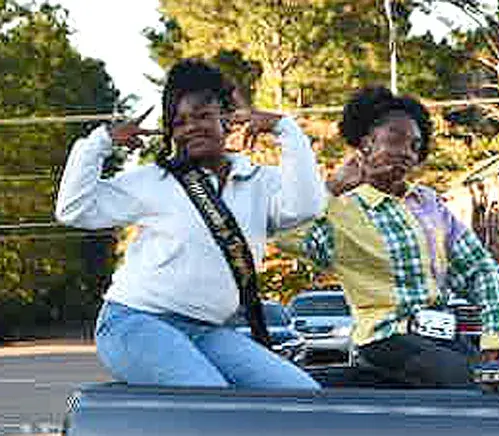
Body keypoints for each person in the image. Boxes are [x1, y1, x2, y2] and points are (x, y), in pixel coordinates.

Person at [55, 59, 325, 389]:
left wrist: (285, 129)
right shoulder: (154, 181)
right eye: (179, 122)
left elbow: (308, 206)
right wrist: (101, 142)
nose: (191, 128)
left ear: (228, 118)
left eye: (202, 116)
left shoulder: (258, 181)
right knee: (208, 399)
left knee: (302, 396)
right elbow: (73, 210)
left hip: (208, 331)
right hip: (135, 323)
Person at [278, 86, 499, 388]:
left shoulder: (429, 203)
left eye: (415, 146)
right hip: (385, 339)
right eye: (395, 140)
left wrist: (495, 338)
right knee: (465, 384)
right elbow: (286, 236)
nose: (406, 153)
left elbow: (479, 269)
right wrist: (332, 187)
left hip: (441, 337)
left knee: (495, 384)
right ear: (366, 145)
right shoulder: (341, 208)